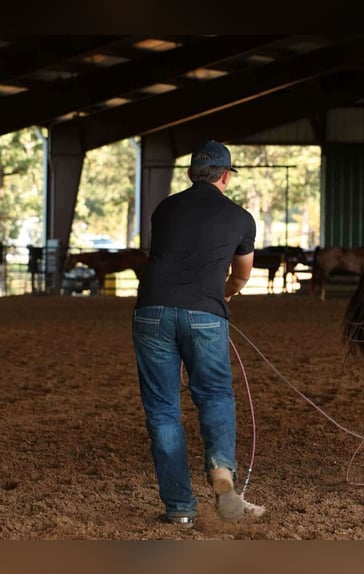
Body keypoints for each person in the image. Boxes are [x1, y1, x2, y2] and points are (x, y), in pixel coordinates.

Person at [132, 140, 263, 526]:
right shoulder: (240, 217)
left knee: (162, 410)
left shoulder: (165, 209)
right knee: (215, 395)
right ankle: (222, 472)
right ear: (225, 175)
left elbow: (169, 255)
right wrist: (225, 294)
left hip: (151, 311)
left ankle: (179, 508)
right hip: (206, 314)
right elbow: (241, 274)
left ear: (192, 173)